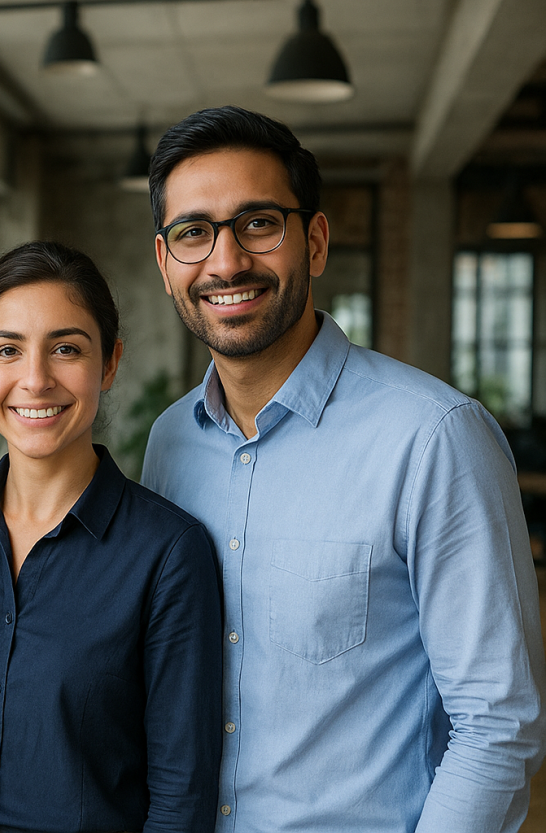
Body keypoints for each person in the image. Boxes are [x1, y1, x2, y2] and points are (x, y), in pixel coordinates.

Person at [141, 104, 546, 832]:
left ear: (316, 240)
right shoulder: (171, 442)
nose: (226, 261)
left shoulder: (434, 436)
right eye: (193, 233)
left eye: (258, 223)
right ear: (166, 264)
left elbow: (497, 722)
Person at [0, 241, 222, 833]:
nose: (35, 380)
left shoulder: (169, 553)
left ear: (111, 362)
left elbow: (180, 790)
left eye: (66, 349)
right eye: (8, 351)